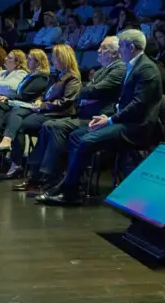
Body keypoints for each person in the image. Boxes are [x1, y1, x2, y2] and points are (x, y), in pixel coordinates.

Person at [37, 29, 163, 206]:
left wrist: (110, 120)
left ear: (131, 47)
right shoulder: (133, 66)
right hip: (123, 120)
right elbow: (124, 103)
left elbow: (138, 106)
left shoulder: (146, 69)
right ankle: (72, 188)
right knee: (76, 136)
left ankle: (68, 191)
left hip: (137, 127)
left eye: (122, 47)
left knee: (87, 140)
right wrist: (107, 115)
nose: (119, 51)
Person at [16, 37, 126, 192]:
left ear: (115, 53)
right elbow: (90, 90)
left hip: (98, 118)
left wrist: (82, 95)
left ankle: (50, 178)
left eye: (103, 48)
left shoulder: (119, 68)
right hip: (84, 115)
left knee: (52, 125)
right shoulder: (102, 70)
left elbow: (93, 90)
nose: (98, 51)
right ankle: (41, 176)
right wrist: (85, 96)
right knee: (48, 126)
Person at [0, 44, 82, 178]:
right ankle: (18, 164)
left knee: (18, 124)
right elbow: (45, 93)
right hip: (45, 111)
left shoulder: (72, 77)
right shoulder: (57, 75)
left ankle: (22, 166)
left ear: (63, 58)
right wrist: (40, 100)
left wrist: (42, 105)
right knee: (14, 121)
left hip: (58, 115)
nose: (52, 60)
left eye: (55, 57)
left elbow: (65, 101)